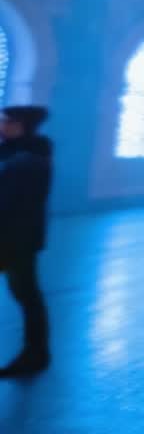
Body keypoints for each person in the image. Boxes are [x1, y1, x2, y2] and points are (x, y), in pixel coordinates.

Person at [0, 106, 53, 378]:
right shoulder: (12, 151)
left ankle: (36, 354)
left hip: (16, 237)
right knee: (26, 294)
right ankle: (36, 353)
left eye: (10, 122)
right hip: (11, 236)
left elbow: (12, 200)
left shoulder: (31, 156)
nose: (3, 125)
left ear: (24, 126)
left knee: (26, 294)